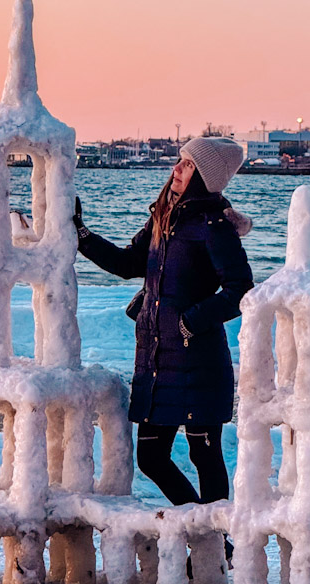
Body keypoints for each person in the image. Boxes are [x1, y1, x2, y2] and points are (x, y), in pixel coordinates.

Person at [73, 136, 254, 517]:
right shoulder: (163, 218)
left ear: (205, 175)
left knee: (205, 456)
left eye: (187, 165)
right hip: (157, 360)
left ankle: (217, 546)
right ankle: (203, 532)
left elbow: (241, 290)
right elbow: (128, 264)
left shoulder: (213, 226)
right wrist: (82, 236)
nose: (176, 169)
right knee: (152, 457)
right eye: (180, 161)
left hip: (199, 361)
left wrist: (189, 322)